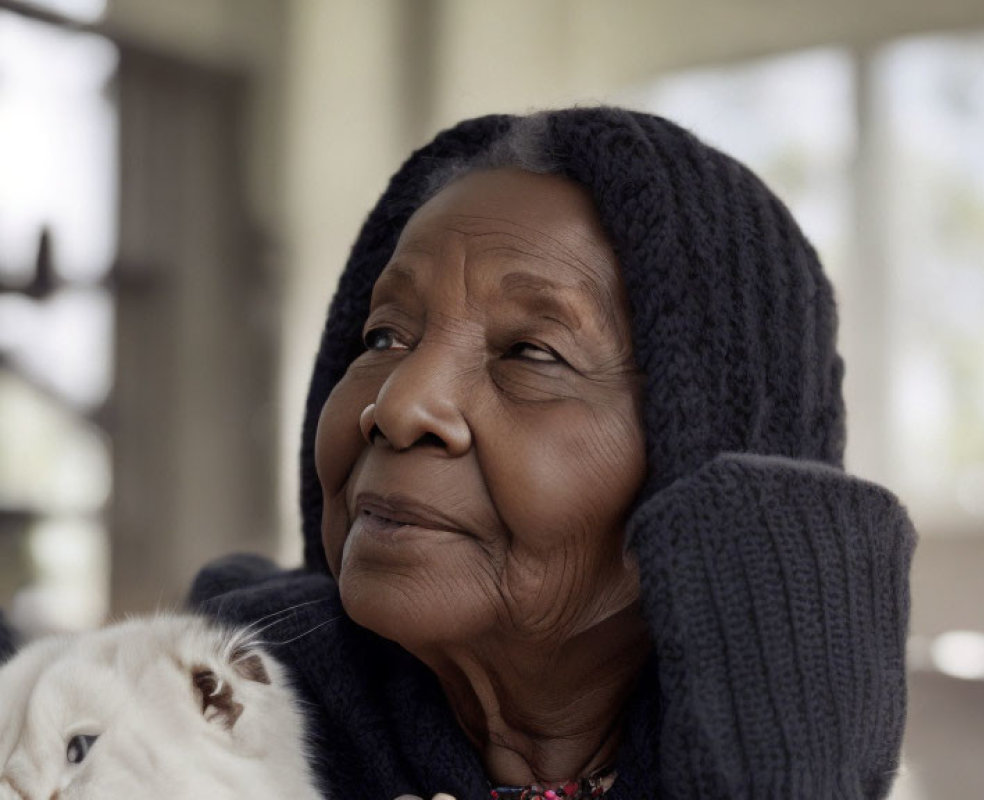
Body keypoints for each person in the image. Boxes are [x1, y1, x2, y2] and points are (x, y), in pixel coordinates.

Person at [7, 107, 917, 799]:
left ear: (708, 463)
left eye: (531, 353)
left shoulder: (803, 746)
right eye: (385, 336)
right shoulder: (187, 714)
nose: (398, 407)